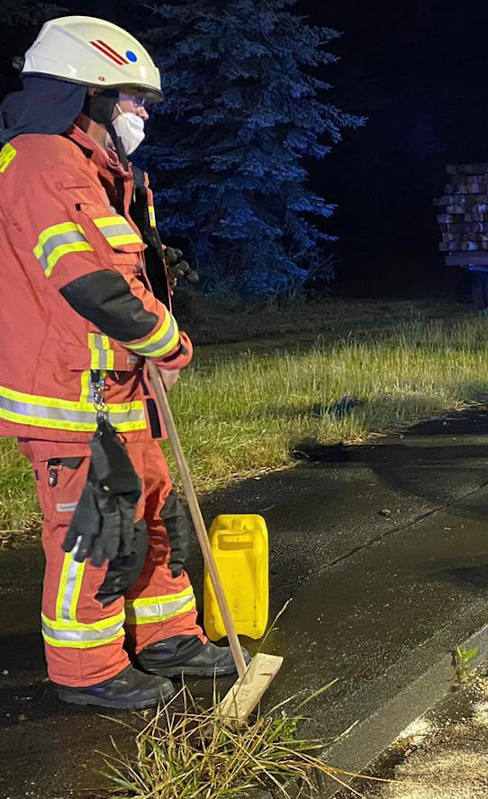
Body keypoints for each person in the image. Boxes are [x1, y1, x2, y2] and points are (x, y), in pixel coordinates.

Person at [0, 16, 234, 710]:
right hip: (69, 395)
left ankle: (166, 634)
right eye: (132, 99)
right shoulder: (43, 163)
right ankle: (88, 668)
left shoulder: (105, 173)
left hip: (119, 389)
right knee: (94, 527)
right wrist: (168, 339)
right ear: (87, 92)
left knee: (155, 513)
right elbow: (88, 281)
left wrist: (150, 353)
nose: (141, 114)